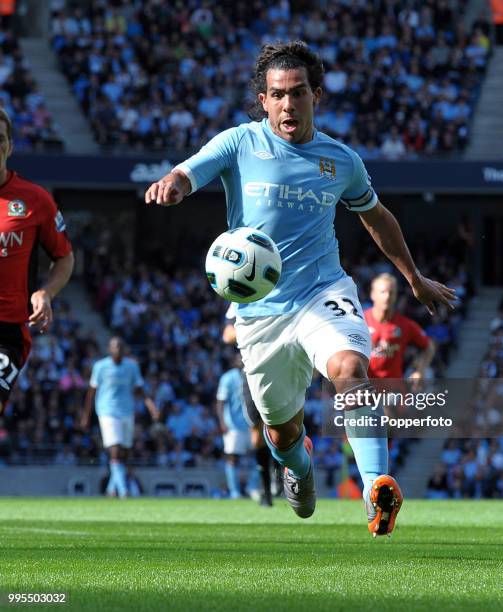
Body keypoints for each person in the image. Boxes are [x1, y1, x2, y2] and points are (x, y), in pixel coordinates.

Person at [145, 41, 455, 537]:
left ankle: (376, 490)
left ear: (316, 96)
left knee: (351, 368)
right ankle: (299, 465)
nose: (288, 104)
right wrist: (175, 184)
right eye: (277, 95)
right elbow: (190, 170)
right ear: (263, 100)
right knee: (282, 431)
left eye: (298, 93)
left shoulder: (341, 160)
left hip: (322, 292)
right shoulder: (238, 143)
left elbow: (376, 218)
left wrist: (413, 278)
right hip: (259, 312)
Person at [0, 108, 74, 415]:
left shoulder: (35, 200)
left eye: (0, 139)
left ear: (10, 146)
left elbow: (64, 257)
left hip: (7, 330)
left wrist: (47, 292)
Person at [82, 337, 159, 498]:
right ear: (109, 350)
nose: (117, 350)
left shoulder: (132, 366)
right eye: (114, 347)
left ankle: (111, 489)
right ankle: (124, 490)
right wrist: (86, 415)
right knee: (115, 449)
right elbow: (91, 392)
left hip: (126, 411)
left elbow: (140, 389)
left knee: (124, 452)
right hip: (107, 411)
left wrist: (151, 407)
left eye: (120, 347)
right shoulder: (100, 366)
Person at [222, 304, 279, 506]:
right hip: (252, 372)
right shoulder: (241, 296)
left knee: (282, 427)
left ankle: (281, 474)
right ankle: (266, 490)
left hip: (281, 367)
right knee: (257, 433)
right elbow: (228, 334)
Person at [366, 273, 435, 382]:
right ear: (373, 294)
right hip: (364, 390)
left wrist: (420, 370)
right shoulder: (359, 321)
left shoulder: (405, 325)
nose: (387, 296)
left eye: (391, 292)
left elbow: (429, 347)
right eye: (383, 292)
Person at [216, 352, 259, 500]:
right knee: (232, 458)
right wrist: (222, 422)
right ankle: (235, 492)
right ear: (234, 360)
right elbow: (220, 401)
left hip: (252, 424)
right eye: (238, 357)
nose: (241, 359)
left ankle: (252, 486)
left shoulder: (255, 376)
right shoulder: (227, 378)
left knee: (261, 456)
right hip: (233, 425)